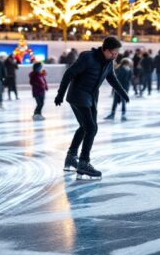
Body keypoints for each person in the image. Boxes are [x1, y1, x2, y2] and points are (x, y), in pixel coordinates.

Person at [54, 36, 129, 180]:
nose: (115, 56)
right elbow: (69, 73)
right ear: (105, 50)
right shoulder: (88, 58)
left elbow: (111, 78)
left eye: (117, 54)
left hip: (91, 97)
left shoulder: (108, 62)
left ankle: (71, 157)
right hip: (78, 95)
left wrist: (122, 92)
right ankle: (83, 163)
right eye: (113, 53)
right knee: (91, 128)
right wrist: (60, 94)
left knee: (85, 127)